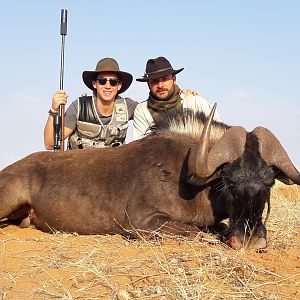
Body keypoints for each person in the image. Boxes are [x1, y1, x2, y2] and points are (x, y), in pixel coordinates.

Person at [44, 57, 138, 150]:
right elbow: (50, 144)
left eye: (113, 82)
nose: (107, 86)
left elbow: (150, 111)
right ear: (94, 84)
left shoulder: (128, 106)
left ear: (119, 86)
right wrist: (54, 110)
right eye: (102, 81)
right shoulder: (79, 107)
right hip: (79, 164)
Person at [133, 56, 222, 140]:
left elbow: (221, 134)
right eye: (154, 81)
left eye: (164, 79)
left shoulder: (194, 101)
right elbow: (140, 147)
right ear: (148, 84)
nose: (160, 85)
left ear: (174, 79)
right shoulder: (142, 110)